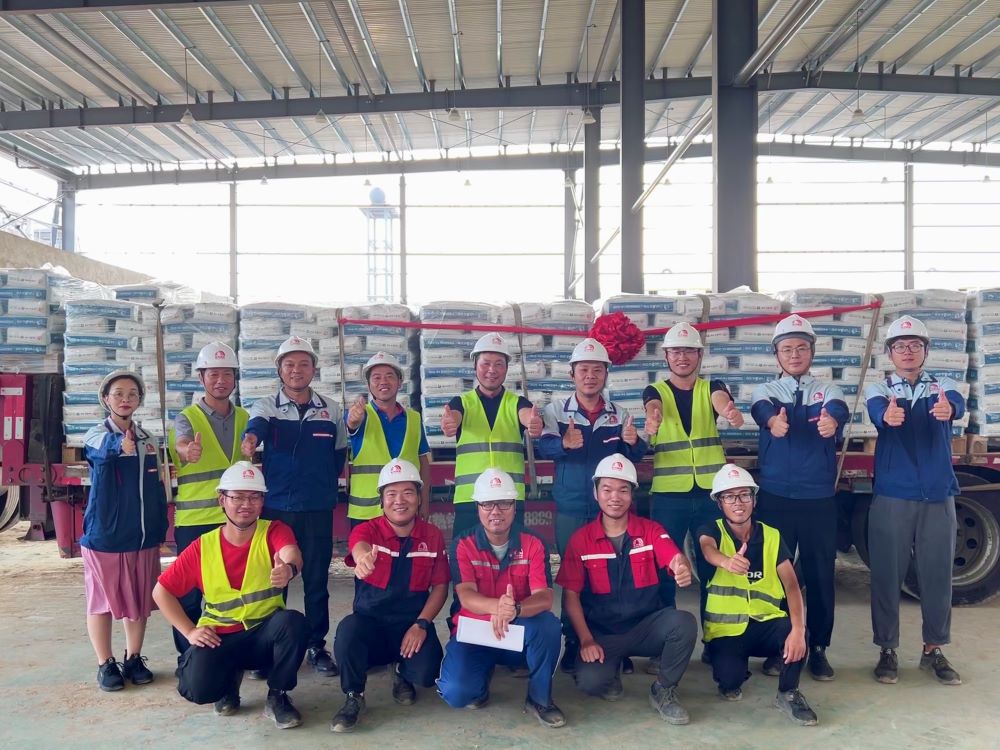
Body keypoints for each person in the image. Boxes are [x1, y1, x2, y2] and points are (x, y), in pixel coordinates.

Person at [153, 462, 308, 729]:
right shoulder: (203, 547)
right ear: (222, 500)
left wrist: (289, 569)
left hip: (263, 636)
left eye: (254, 497)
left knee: (293, 623)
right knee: (197, 688)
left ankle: (278, 695)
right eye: (237, 497)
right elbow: (161, 592)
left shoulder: (274, 530)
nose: (246, 504)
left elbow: (291, 552)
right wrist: (190, 631)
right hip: (220, 638)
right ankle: (228, 683)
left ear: (262, 501)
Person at [556, 454, 697, 725]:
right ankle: (612, 668)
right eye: (607, 489)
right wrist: (586, 640)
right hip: (604, 634)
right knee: (590, 682)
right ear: (596, 493)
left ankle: (664, 690)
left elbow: (673, 555)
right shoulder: (581, 540)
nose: (615, 497)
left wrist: (681, 565)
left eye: (623, 490)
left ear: (632, 495)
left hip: (646, 628)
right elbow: (571, 596)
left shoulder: (651, 530)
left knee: (683, 623)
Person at [537, 337, 649, 674]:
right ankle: (574, 644)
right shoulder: (556, 411)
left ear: (606, 374)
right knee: (573, 580)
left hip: (610, 511)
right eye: (583, 369)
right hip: (571, 508)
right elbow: (544, 448)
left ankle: (616, 644)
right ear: (572, 374)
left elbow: (631, 457)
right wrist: (564, 443)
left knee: (613, 578)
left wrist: (634, 444)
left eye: (597, 370)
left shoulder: (619, 414)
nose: (590, 376)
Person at [864, 314, 964, 686]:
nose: (908, 351)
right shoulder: (880, 389)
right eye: (900, 346)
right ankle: (887, 649)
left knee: (937, 575)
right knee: (886, 575)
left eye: (915, 345)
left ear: (925, 351)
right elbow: (877, 411)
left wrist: (950, 410)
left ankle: (933, 648)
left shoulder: (943, 386)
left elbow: (956, 404)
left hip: (937, 494)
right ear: (890, 353)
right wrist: (886, 415)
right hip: (893, 494)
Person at [750, 315, 850, 680]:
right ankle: (780, 645)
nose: (794, 355)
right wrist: (772, 422)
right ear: (776, 354)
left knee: (821, 574)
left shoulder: (828, 390)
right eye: (787, 348)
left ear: (812, 352)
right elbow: (760, 411)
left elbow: (838, 410)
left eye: (801, 348)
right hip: (776, 497)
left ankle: (819, 647)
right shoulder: (766, 391)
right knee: (776, 574)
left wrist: (832, 422)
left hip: (818, 499)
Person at [241, 335, 348, 675]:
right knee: (276, 580)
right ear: (279, 370)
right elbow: (256, 428)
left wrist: (320, 484)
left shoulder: (331, 410)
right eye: (289, 364)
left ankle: (316, 646)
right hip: (278, 511)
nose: (296, 370)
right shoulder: (266, 406)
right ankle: (272, 647)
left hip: (316, 508)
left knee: (316, 582)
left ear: (314, 369)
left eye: (303, 364)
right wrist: (250, 439)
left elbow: (339, 456)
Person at [436, 468, 566, 728]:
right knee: (457, 693)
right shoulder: (463, 544)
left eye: (504, 503)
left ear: (514, 507)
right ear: (478, 507)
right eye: (487, 504)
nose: (495, 511)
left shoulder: (533, 543)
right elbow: (466, 595)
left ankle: (539, 698)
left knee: (548, 626)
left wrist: (514, 609)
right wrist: (498, 607)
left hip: (518, 629)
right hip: (477, 631)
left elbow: (544, 597)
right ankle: (479, 681)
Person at [330, 459, 449, 732]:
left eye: (408, 492)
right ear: (381, 500)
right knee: (347, 632)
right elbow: (359, 545)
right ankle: (354, 695)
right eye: (391, 493)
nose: (400, 501)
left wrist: (422, 624)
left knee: (428, 671)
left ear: (419, 497)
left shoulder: (432, 536)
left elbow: (441, 587)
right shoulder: (367, 530)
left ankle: (401, 671)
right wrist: (363, 559)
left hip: (410, 625)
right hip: (371, 624)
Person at [698, 464, 818, 726]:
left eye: (744, 495)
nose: (738, 503)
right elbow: (708, 549)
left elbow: (791, 586)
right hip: (727, 630)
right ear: (719, 503)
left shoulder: (772, 536)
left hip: (766, 624)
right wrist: (726, 562)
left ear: (754, 499)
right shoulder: (711, 530)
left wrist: (798, 630)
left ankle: (788, 692)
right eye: (729, 497)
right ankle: (733, 666)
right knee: (729, 682)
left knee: (796, 632)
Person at [643, 322, 742, 617]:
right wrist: (653, 418)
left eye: (688, 351)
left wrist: (728, 411)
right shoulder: (655, 391)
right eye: (675, 352)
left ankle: (716, 632)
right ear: (666, 356)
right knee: (665, 565)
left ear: (699, 355)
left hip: (711, 496)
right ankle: (666, 632)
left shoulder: (711, 388)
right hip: (669, 496)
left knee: (714, 565)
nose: (682, 357)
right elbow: (653, 404)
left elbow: (720, 401)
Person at [82, 370, 167, 692]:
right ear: (106, 399)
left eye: (132, 394)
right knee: (102, 601)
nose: (125, 399)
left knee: (139, 600)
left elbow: (157, 487)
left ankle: (133, 658)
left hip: (142, 537)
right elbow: (101, 453)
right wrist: (119, 445)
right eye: (118, 393)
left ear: (139, 400)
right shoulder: (96, 435)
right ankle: (105, 663)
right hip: (106, 536)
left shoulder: (147, 439)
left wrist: (158, 529)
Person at [167, 341, 249, 660]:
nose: (220, 381)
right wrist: (188, 450)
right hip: (195, 522)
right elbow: (183, 443)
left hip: (233, 523)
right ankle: (188, 657)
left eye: (227, 374)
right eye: (213, 374)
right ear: (201, 378)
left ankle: (234, 653)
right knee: (189, 595)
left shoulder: (244, 418)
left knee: (233, 591)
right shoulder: (186, 418)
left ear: (235, 378)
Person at [440, 332, 542, 535]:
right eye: (485, 363)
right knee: (466, 553)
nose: (492, 370)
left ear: (506, 368)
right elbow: (454, 416)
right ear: (475, 366)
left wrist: (533, 423)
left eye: (499, 364)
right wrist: (450, 423)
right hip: (470, 500)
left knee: (512, 554)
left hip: (508, 500)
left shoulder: (517, 403)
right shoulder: (461, 403)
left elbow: (526, 415)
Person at [344, 352, 432, 523]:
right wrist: (353, 421)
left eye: (389, 376)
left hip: (404, 511)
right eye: (376, 378)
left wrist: (425, 503)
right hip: (367, 514)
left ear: (400, 382)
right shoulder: (360, 415)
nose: (383, 382)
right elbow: (351, 425)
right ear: (368, 385)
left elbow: (423, 462)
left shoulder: (414, 419)